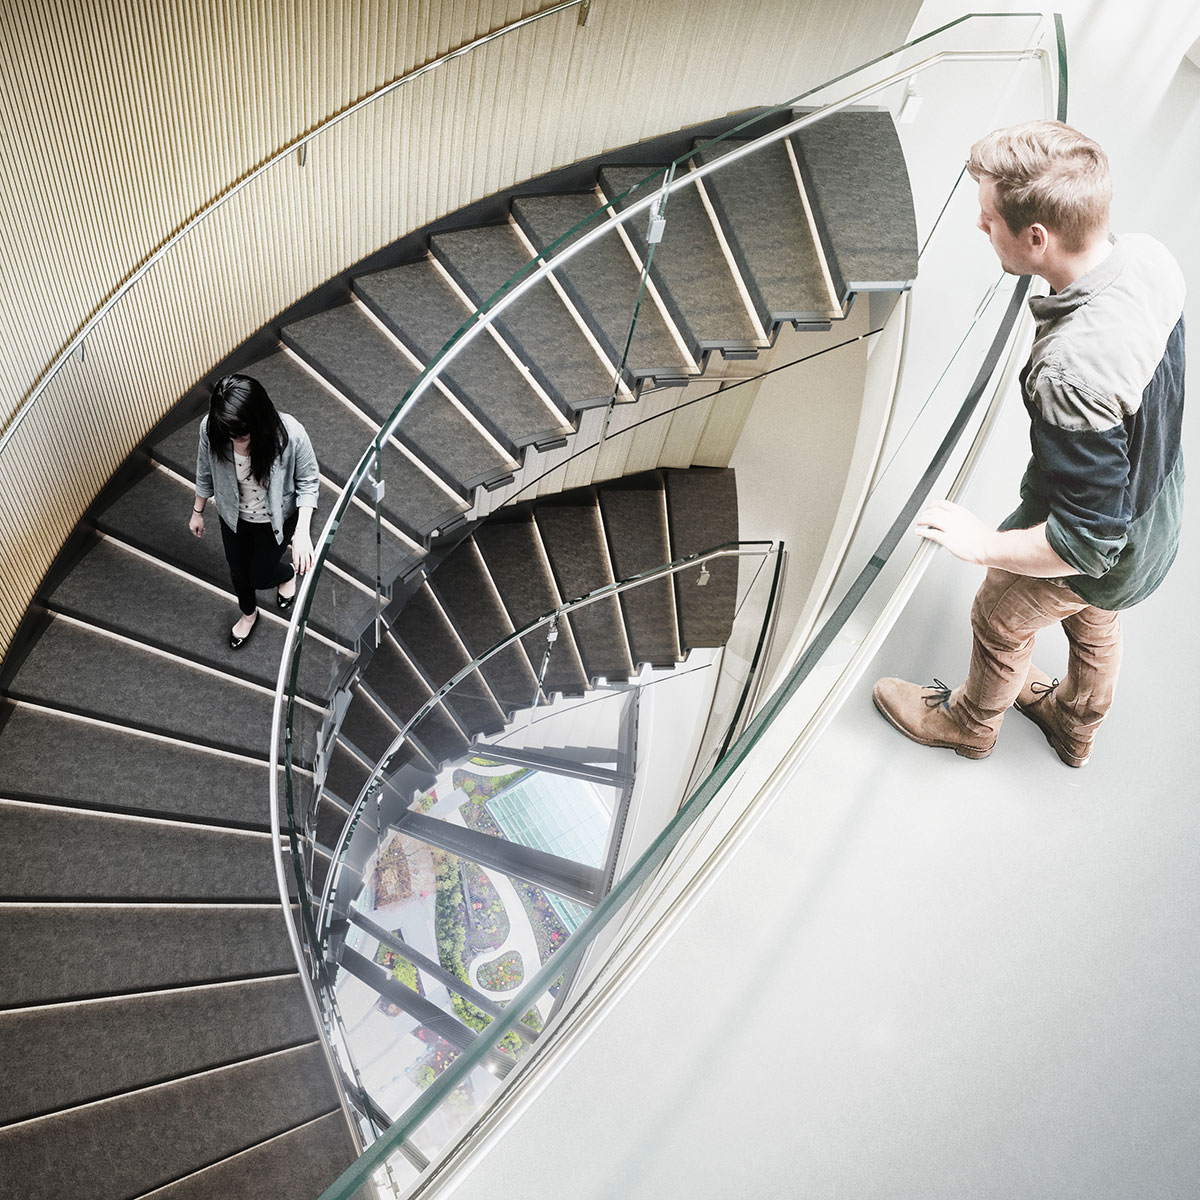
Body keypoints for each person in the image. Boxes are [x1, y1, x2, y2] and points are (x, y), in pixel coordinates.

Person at [873, 119, 1186, 767]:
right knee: (1094, 614)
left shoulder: (1070, 370)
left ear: (1036, 238)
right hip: (1158, 514)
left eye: (989, 219)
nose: (980, 227)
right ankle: (1075, 725)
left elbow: (1085, 545)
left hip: (1112, 545)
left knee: (999, 611)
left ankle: (969, 724)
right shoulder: (1152, 257)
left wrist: (982, 544)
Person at [188, 374, 320, 648]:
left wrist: (303, 532)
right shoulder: (212, 429)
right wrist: (197, 510)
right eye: (230, 434)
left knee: (260, 576)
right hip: (233, 518)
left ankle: (287, 573)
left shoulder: (290, 434)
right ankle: (248, 613)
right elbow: (204, 472)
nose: (235, 441)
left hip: (275, 520)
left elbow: (308, 481)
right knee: (238, 572)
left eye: (242, 435)